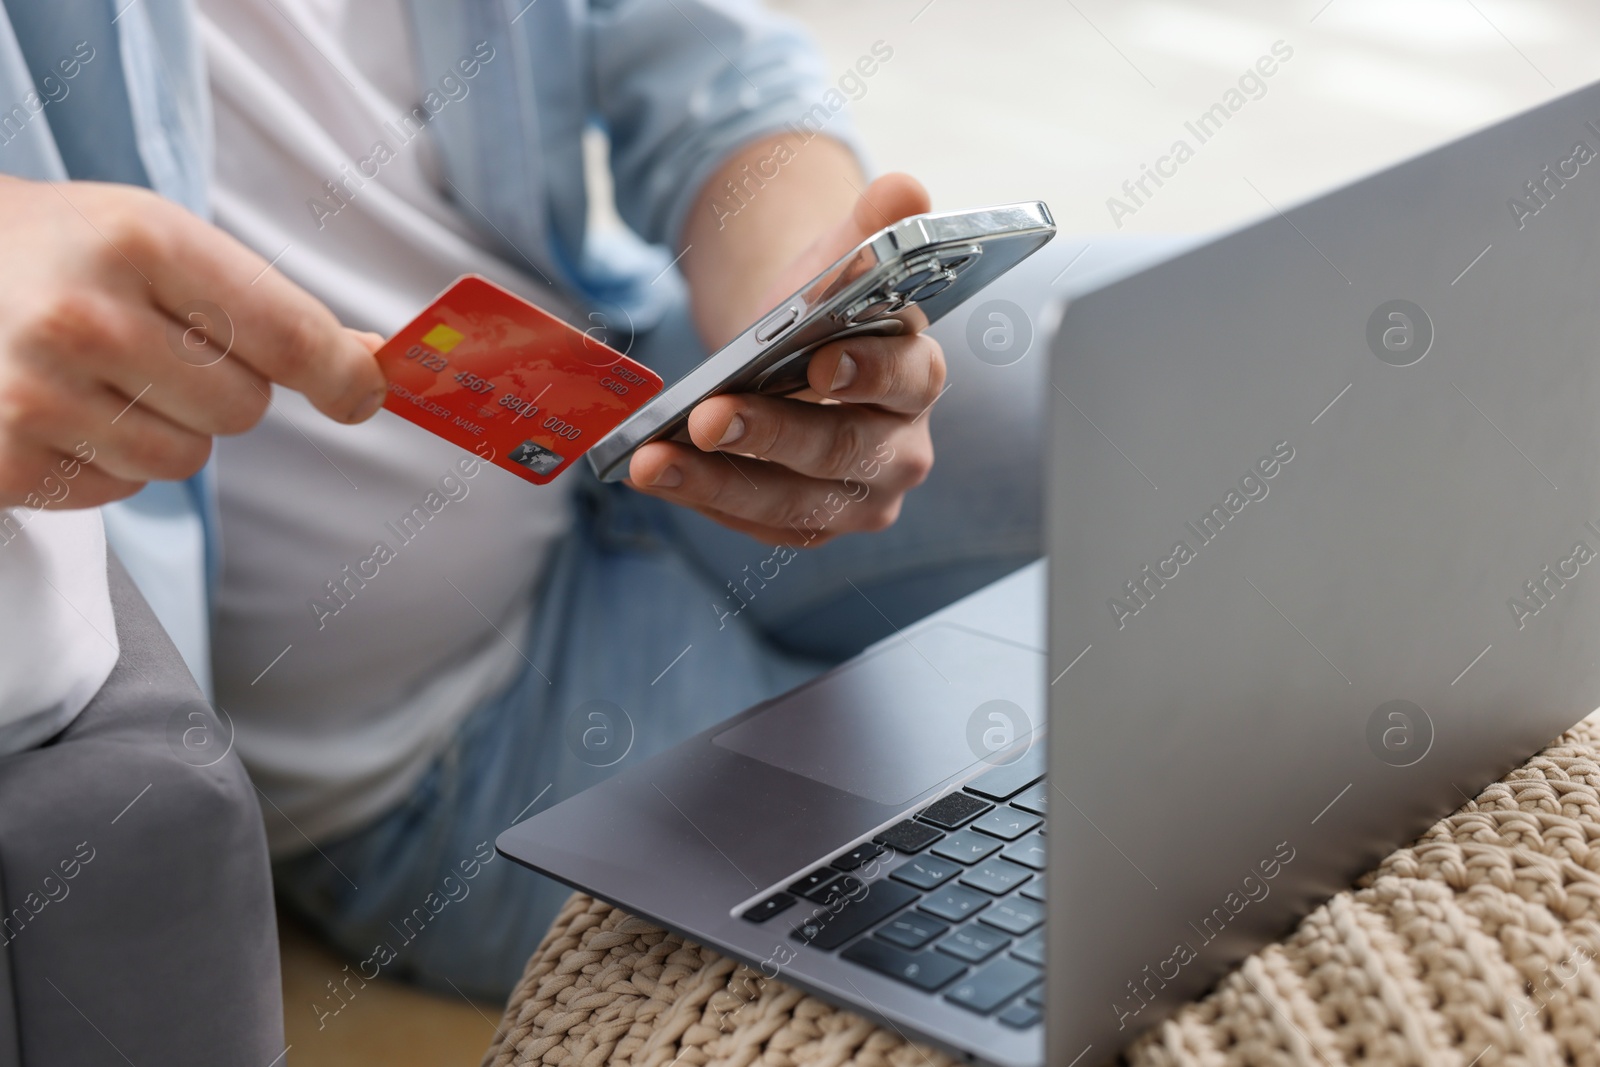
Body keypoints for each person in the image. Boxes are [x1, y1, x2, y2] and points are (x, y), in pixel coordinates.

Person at [0, 0, 1046, 1039]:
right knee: (1028, 896)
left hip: (653, 390)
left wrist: (797, 292)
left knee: (1178, 400)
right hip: (445, 737)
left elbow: (705, 65)